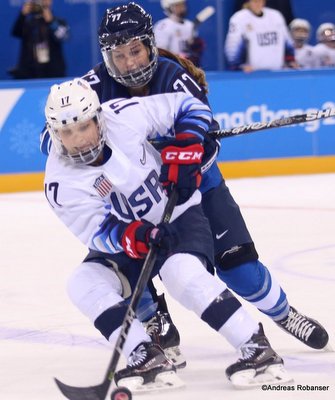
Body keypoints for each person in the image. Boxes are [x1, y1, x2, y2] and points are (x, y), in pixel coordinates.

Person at [40, 2, 329, 371]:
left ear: (149, 44)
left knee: (237, 267)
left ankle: (282, 312)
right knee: (125, 255)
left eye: (135, 51)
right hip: (130, 195)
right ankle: (155, 323)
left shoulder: (174, 78)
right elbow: (53, 139)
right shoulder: (93, 86)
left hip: (195, 189)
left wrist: (188, 151)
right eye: (118, 54)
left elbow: (205, 135)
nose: (128, 63)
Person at [43, 77, 291, 391]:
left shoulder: (123, 114)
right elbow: (99, 232)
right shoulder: (59, 180)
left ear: (97, 118)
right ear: (55, 132)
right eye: (66, 131)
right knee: (83, 283)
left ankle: (256, 348)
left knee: (179, 273)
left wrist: (187, 144)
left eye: (83, 126)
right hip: (133, 243)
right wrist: (135, 235)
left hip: (180, 217)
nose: (77, 139)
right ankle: (145, 354)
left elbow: (189, 107)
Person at [224, 0, 298, 72]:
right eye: (255, 1)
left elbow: (287, 41)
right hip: (252, 73)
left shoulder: (276, 16)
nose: (258, 3)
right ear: (249, 2)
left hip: (276, 70)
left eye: (260, 1)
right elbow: (232, 45)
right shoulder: (239, 18)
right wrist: (239, 66)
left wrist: (290, 60)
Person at [10, 0, 69, 79]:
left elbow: (64, 37)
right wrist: (22, 15)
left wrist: (51, 22)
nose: (42, 2)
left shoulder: (58, 21)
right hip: (29, 72)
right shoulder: (28, 22)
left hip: (53, 72)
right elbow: (16, 32)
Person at [153, 0, 204, 66]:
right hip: (172, 66)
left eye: (183, 4)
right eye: (177, 5)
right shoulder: (163, 26)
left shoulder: (190, 25)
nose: (182, 7)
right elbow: (160, 52)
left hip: (189, 65)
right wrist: (177, 58)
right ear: (169, 8)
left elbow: (195, 50)